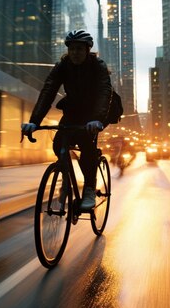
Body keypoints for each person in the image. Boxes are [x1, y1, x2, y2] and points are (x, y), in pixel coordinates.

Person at [21, 30, 112, 210]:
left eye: (79, 49)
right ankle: (65, 175)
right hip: (72, 111)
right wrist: (34, 121)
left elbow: (104, 92)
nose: (75, 53)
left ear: (87, 50)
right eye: (71, 49)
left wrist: (97, 119)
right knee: (59, 144)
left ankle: (89, 188)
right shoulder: (62, 66)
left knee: (87, 147)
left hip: (95, 112)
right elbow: (48, 91)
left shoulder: (97, 66)